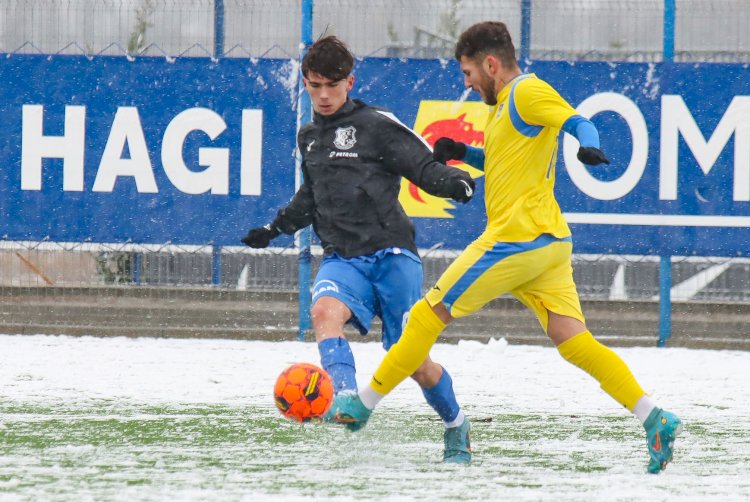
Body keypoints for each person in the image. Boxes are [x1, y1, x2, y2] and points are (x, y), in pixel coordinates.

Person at [327, 22, 683, 474]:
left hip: (516, 239)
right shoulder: (502, 109)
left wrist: (588, 147)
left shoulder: (527, 92)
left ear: (491, 64)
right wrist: (462, 152)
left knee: (426, 315)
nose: (467, 83)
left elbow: (578, 121)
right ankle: (655, 417)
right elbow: (501, 161)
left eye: (468, 72)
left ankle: (362, 404)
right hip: (547, 244)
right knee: (573, 342)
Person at [241, 36, 476, 463]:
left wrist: (450, 181)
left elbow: (419, 164)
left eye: (333, 85)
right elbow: (310, 197)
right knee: (323, 312)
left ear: (350, 81)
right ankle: (345, 399)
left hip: (392, 256)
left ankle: (456, 424)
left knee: (412, 362)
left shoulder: (375, 124)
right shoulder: (308, 137)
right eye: (315, 86)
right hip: (343, 258)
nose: (324, 95)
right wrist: (274, 227)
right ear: (305, 85)